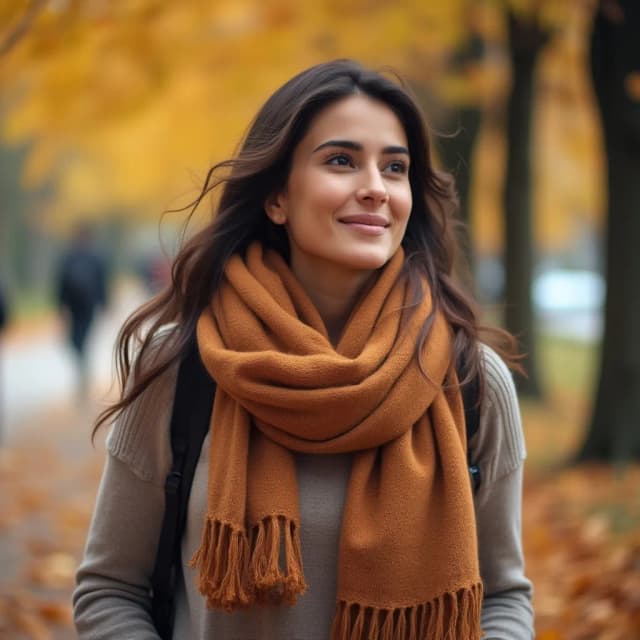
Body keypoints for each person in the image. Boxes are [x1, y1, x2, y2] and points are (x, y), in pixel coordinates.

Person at [73, 59, 534, 639]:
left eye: (395, 168)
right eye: (341, 160)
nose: (375, 186)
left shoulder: (470, 379)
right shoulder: (184, 366)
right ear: (276, 199)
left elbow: (504, 599)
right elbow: (110, 589)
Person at [56, 223, 108, 402]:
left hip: (87, 307)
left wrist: (103, 303)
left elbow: (102, 282)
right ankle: (82, 366)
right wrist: (60, 306)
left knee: (81, 339)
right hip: (74, 307)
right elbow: (60, 283)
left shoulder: (95, 258)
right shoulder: (69, 258)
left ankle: (83, 373)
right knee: (74, 341)